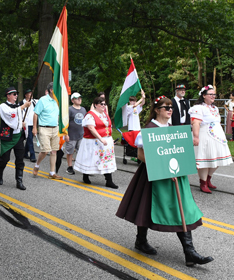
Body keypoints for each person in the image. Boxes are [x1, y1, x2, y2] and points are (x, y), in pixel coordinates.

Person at [116, 96, 214, 267]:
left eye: (171, 107)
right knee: (145, 207)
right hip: (154, 175)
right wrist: (163, 169)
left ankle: (189, 252)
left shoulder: (172, 128)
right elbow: (140, 155)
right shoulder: (148, 129)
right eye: (165, 107)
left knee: (182, 209)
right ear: (156, 109)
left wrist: (188, 162)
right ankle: (141, 241)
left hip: (175, 175)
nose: (170, 110)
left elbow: (177, 151)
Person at [189, 85, 233, 193]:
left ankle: (208, 178)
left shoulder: (215, 108)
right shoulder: (198, 108)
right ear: (204, 95)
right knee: (205, 160)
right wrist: (196, 137)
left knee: (217, 159)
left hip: (217, 137)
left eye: (214, 94)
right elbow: (196, 123)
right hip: (205, 136)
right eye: (211, 94)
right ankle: (203, 183)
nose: (213, 96)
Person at [74, 96, 118, 188]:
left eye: (104, 104)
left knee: (106, 160)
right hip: (93, 142)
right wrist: (100, 138)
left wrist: (110, 138)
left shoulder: (105, 114)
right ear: (95, 105)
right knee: (90, 159)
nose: (103, 106)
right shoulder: (90, 115)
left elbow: (108, 128)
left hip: (105, 141)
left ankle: (109, 181)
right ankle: (85, 176)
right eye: (101, 104)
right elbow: (91, 128)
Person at [0, 87, 30, 190]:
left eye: (16, 94)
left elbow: (19, 118)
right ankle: (0, 172)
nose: (16, 96)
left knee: (20, 159)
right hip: (8, 136)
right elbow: (10, 114)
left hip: (18, 136)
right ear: (8, 95)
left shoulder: (17, 106)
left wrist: (22, 123)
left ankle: (19, 181)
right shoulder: (3, 106)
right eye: (13, 94)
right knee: (5, 158)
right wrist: (23, 106)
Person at [32, 82, 62, 179]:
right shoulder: (43, 100)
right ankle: (37, 165)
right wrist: (34, 127)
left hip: (55, 128)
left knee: (54, 151)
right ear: (51, 90)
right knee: (45, 151)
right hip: (44, 128)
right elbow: (36, 113)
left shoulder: (58, 101)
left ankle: (52, 172)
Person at [64, 92, 86, 175]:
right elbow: (65, 122)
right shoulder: (70, 109)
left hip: (81, 134)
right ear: (72, 100)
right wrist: (66, 134)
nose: (79, 99)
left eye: (80, 98)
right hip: (71, 135)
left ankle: (82, 167)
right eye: (77, 98)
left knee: (81, 151)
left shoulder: (83, 109)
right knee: (70, 151)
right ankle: (69, 167)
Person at [22, 89, 37, 162]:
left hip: (33, 123)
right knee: (30, 139)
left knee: (29, 139)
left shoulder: (34, 102)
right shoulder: (22, 103)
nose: (31, 94)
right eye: (29, 93)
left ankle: (24, 153)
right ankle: (32, 155)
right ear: (26, 95)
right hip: (26, 124)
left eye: (31, 93)